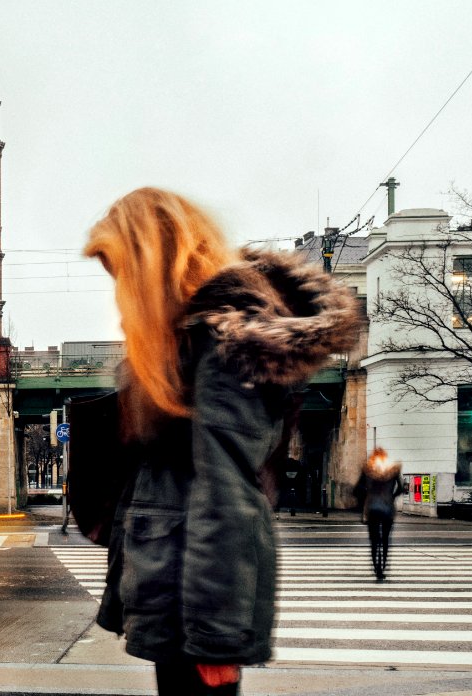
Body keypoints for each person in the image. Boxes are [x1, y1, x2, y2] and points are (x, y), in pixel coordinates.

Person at [84, 188, 360, 696]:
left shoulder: (220, 347)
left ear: (152, 268)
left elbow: (227, 496)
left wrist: (216, 641)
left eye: (122, 274)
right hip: (177, 595)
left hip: (194, 609)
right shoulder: (191, 340)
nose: (120, 292)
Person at [354, 448, 402, 580]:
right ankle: (384, 565)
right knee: (386, 539)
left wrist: (366, 495)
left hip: (372, 508)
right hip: (387, 509)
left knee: (374, 540)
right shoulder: (393, 470)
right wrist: (391, 497)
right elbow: (401, 489)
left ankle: (377, 567)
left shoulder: (368, 470)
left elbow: (357, 489)